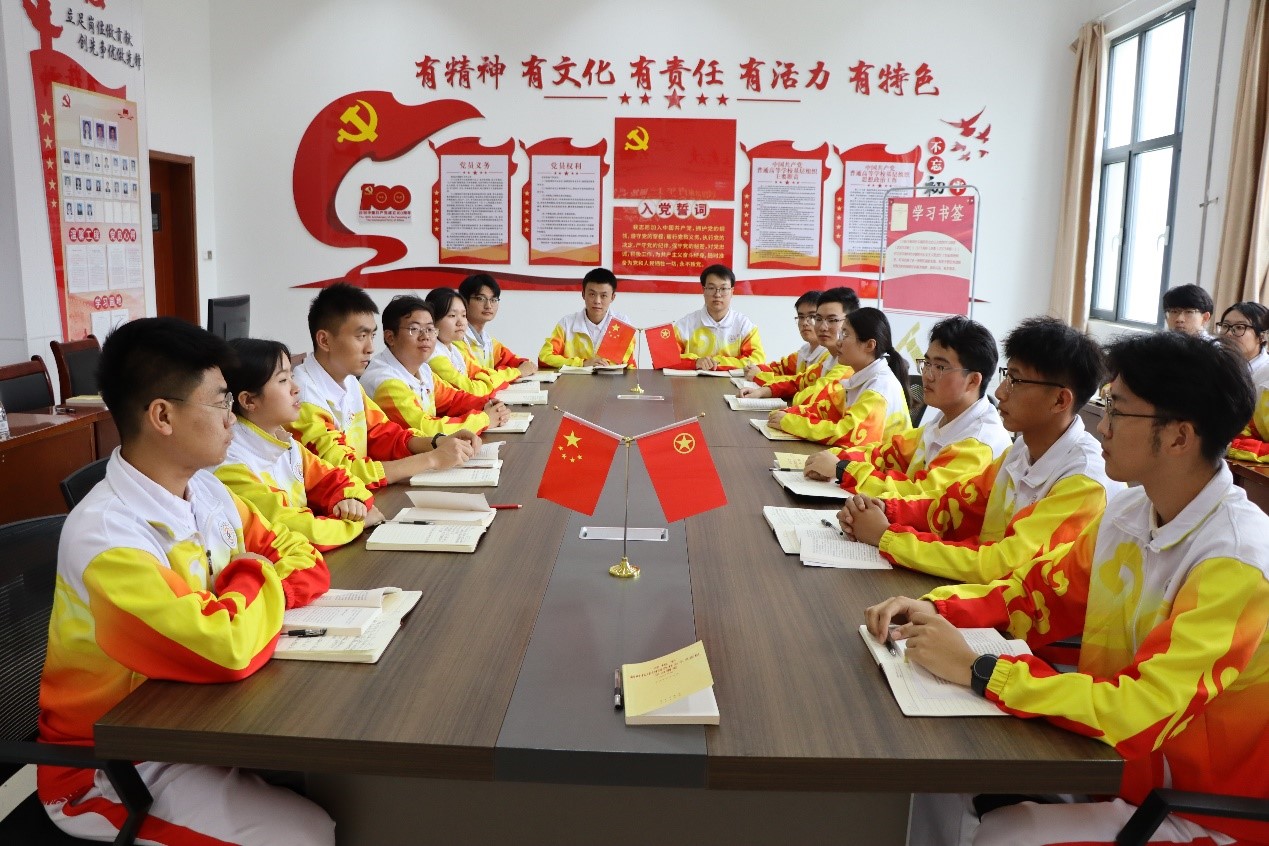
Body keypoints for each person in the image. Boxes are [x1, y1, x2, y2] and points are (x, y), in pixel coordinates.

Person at [864, 330, 1267, 846]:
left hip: (1193, 808)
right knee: (940, 777)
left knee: (1002, 837)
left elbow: (1141, 711)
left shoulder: (1237, 561)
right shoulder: (1130, 512)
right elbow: (1035, 595)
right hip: (1111, 764)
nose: (1102, 426)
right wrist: (933, 608)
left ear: (1179, 437)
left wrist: (980, 669)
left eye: (1117, 410)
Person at [38, 317, 335, 845]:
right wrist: (253, 573)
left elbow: (304, 558)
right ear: (162, 416)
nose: (232, 418)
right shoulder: (107, 537)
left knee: (344, 784)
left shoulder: (206, 490)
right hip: (114, 768)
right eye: (221, 402)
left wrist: (246, 596)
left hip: (197, 723)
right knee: (306, 835)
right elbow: (225, 648)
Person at [839, 317, 1121, 586]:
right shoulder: (1022, 449)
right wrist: (884, 509)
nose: (1000, 393)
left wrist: (887, 536)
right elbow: (953, 506)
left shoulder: (1084, 481)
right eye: (1007, 376)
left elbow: (1002, 565)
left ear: (1060, 400)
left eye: (1016, 381)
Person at [290, 282, 476, 488]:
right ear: (324, 340)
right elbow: (343, 472)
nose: (370, 348)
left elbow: (383, 433)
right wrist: (432, 459)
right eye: (361, 336)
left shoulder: (348, 380)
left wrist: (437, 441)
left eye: (372, 335)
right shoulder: (302, 398)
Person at [810, 316, 1010, 498]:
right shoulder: (945, 420)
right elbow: (887, 454)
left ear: (973, 381)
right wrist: (835, 458)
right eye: (927, 363)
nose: (927, 375)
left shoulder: (978, 444)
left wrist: (842, 469)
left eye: (940, 367)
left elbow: (920, 496)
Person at [217, 337, 384, 551]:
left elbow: (339, 479)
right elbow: (294, 530)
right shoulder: (229, 462)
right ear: (249, 400)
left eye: (292, 376)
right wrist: (356, 523)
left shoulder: (284, 441)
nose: (296, 388)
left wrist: (351, 501)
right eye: (282, 380)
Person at [361, 294, 509, 436]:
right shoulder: (386, 382)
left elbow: (453, 400)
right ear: (390, 337)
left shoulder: (422, 368)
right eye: (414, 329)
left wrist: (486, 404)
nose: (425, 336)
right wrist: (484, 419)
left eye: (430, 329)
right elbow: (426, 430)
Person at [769, 306, 911, 449]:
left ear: (869, 345)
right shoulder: (860, 377)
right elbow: (824, 410)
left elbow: (847, 436)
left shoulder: (879, 389)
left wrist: (791, 422)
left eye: (845, 335)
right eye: (841, 333)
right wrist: (787, 414)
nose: (838, 342)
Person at [537, 267, 636, 368]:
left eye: (603, 296)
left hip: (611, 379)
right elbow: (544, 358)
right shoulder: (567, 324)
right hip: (573, 379)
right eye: (592, 294)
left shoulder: (622, 323)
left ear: (612, 297)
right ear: (583, 294)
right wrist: (582, 363)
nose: (597, 301)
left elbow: (629, 365)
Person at [672, 264, 765, 371]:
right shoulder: (685, 325)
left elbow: (757, 360)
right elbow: (668, 358)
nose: (717, 294)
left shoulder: (744, 326)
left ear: (732, 291)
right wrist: (695, 362)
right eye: (711, 288)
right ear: (703, 290)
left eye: (723, 288)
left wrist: (716, 363)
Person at [425, 287, 518, 394]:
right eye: (452, 315)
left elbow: (481, 372)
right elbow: (471, 391)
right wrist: (492, 383)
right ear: (432, 320)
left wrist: (490, 381)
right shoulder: (434, 355)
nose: (461, 322)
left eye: (463, 315)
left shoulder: (453, 349)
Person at [742, 290, 834, 396]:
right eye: (801, 317)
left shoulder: (829, 355)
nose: (805, 323)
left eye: (812, 317)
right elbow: (781, 367)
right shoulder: (805, 351)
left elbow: (798, 384)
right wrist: (758, 368)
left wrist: (758, 376)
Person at [455, 273, 537, 379]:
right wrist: (518, 372)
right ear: (464, 302)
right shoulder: (456, 339)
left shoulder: (487, 340)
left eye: (493, 300)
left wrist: (523, 365)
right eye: (480, 298)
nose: (488, 306)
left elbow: (512, 360)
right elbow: (479, 377)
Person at [1222, 301, 1269, 463]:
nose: (1229, 333)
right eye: (1225, 326)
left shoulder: (1265, 380)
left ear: (1262, 336)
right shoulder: (1217, 368)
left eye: (1239, 327)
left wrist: (1234, 447)